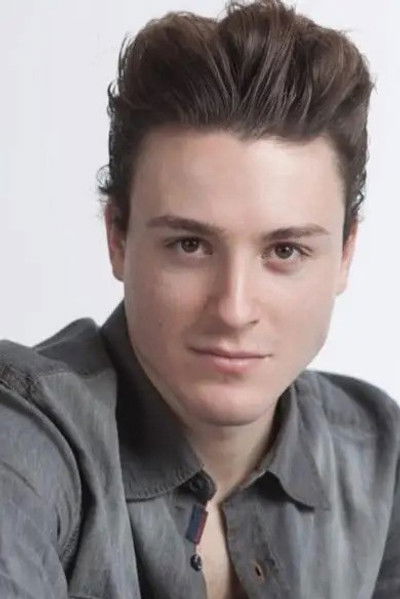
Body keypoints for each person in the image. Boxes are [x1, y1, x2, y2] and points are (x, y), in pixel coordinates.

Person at [0, 0, 398, 597]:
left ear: (345, 254)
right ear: (117, 238)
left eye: (285, 250)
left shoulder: (378, 455)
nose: (234, 310)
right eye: (189, 245)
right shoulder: (24, 439)